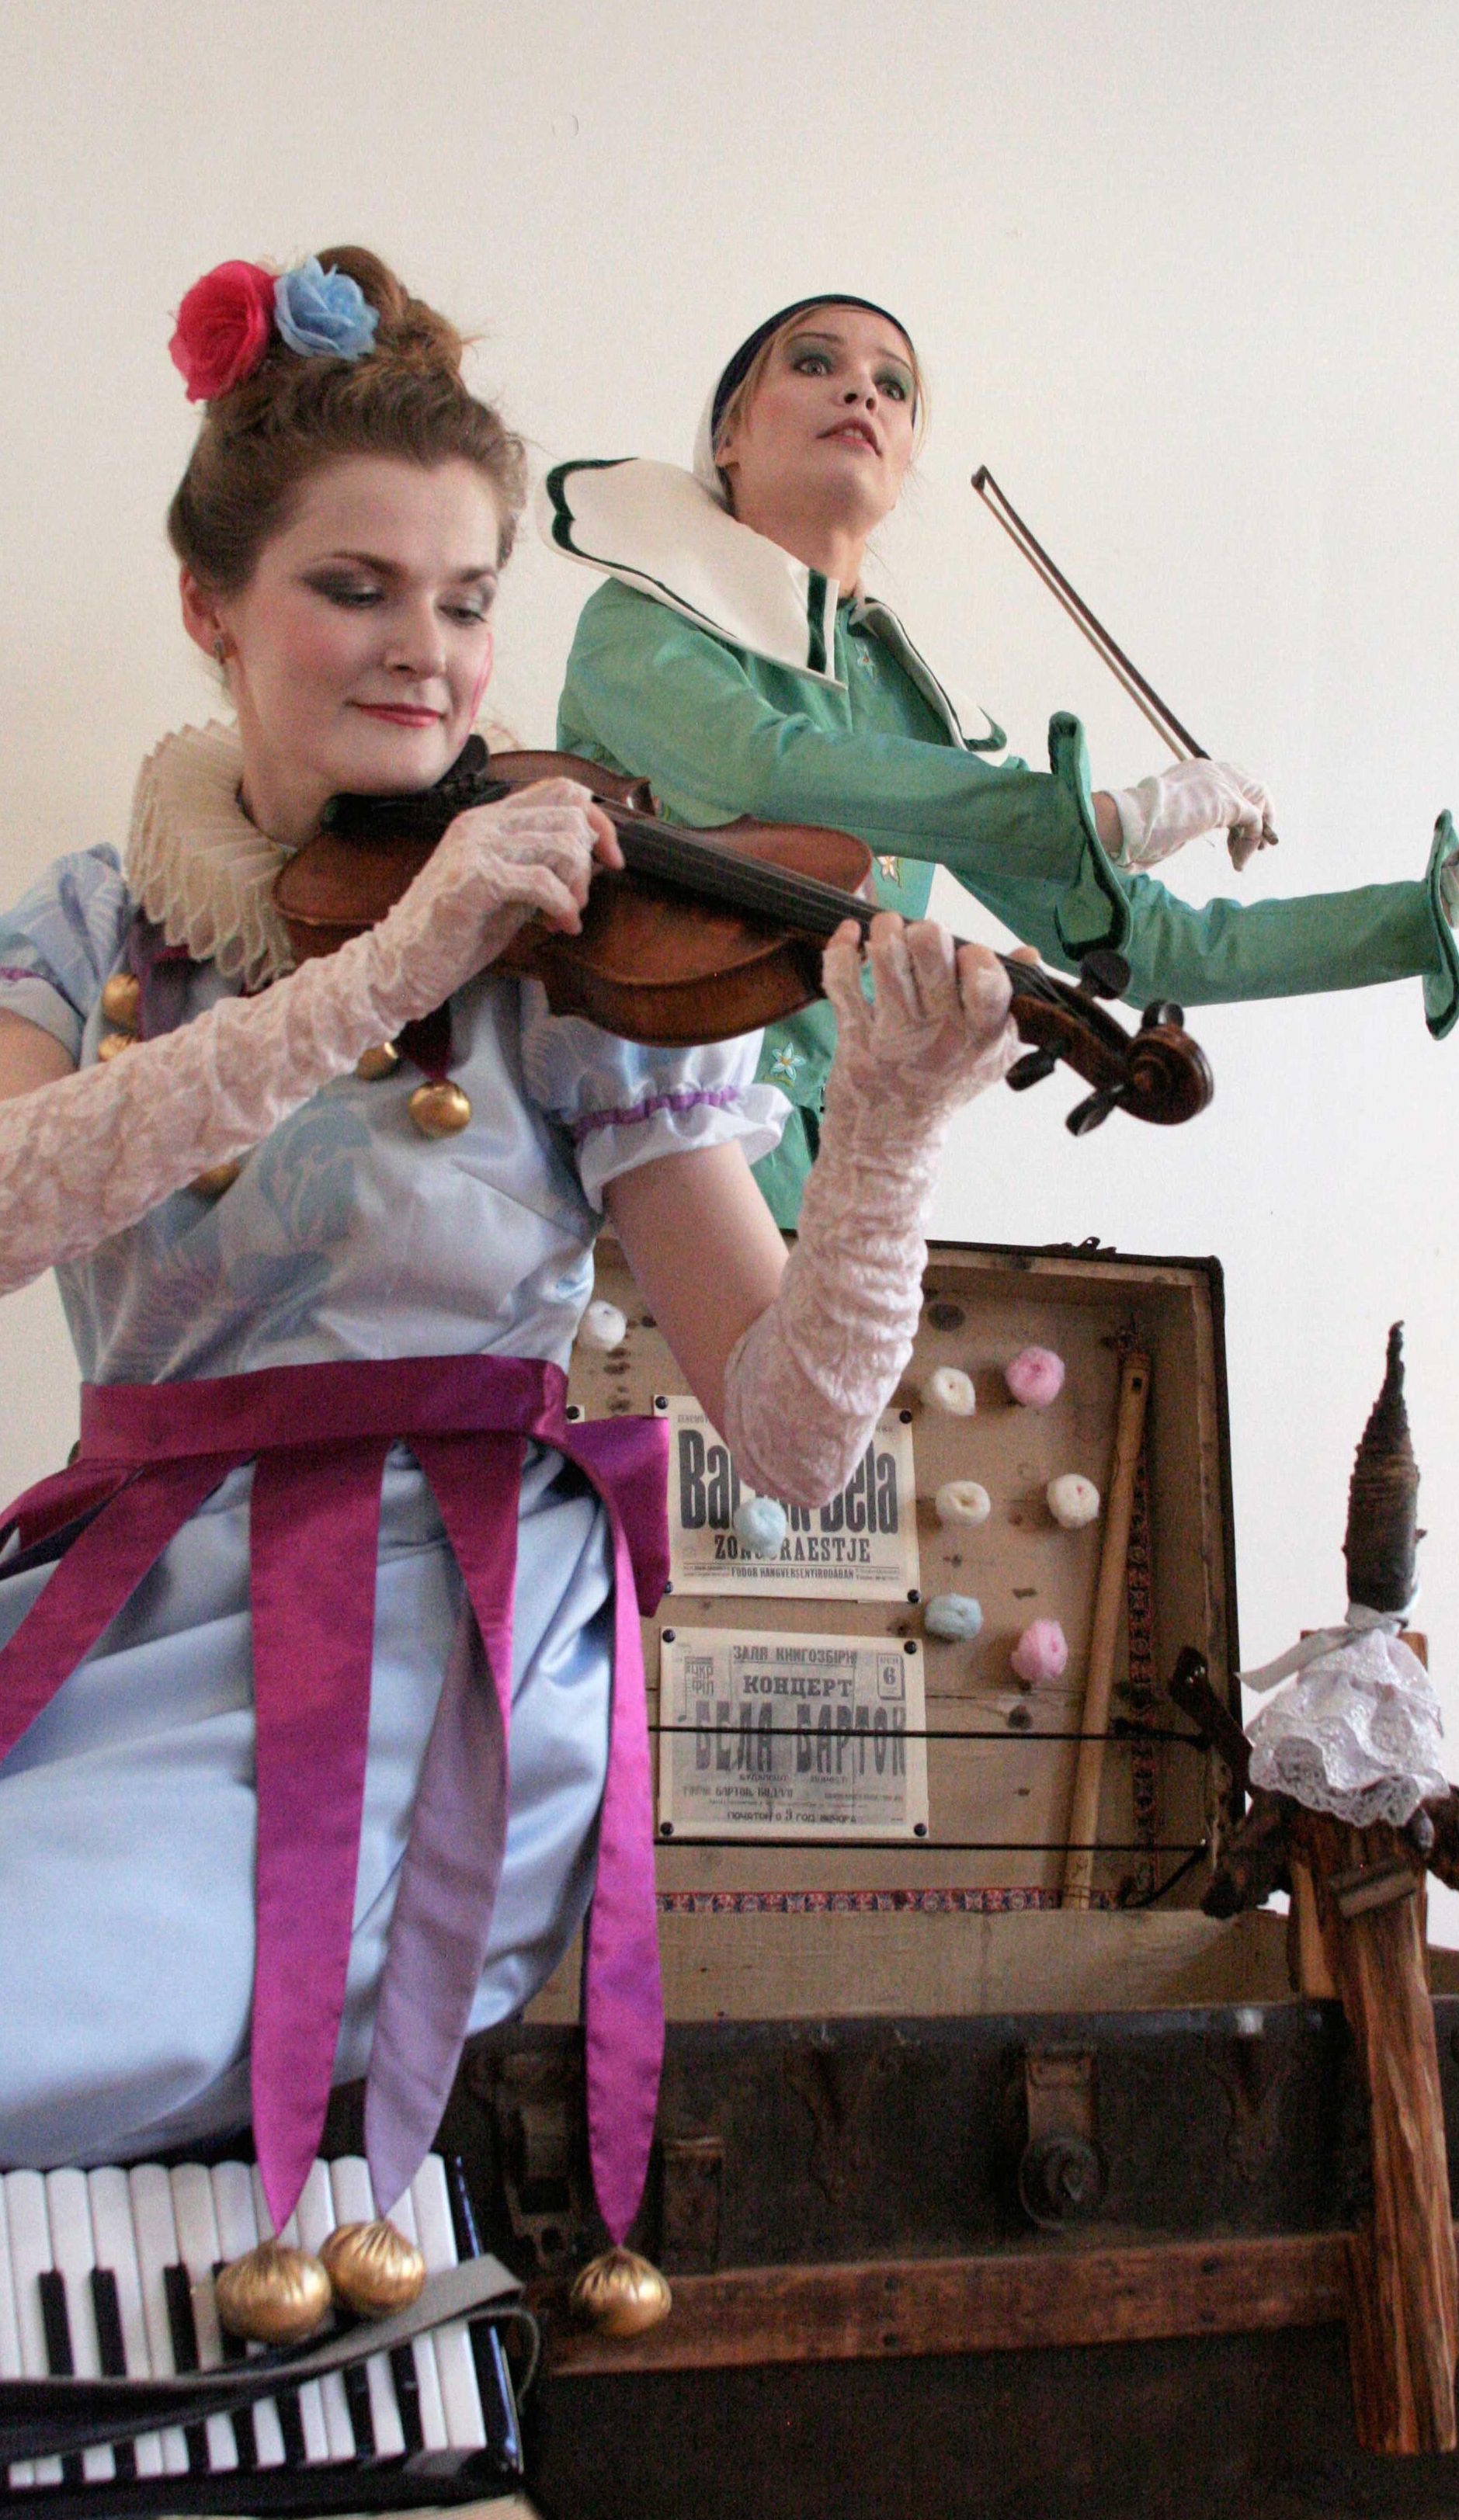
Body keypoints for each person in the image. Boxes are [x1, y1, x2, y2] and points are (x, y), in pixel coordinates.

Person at [0, 252, 1015, 2251]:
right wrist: (380, 970)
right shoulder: (98, 924)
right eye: (355, 588)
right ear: (212, 605)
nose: (430, 657)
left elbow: (794, 1433)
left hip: (427, 1641)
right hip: (124, 1602)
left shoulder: (564, 943)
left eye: (468, 602)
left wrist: (889, 1134)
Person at [547, 294, 1459, 1226]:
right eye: (814, 363)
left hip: (827, 1199)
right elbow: (770, 769)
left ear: (903, 466)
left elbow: (1156, 947)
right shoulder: (640, 619)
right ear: (728, 433)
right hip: (627, 1165)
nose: (860, 391)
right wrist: (1101, 818)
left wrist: (1445, 904)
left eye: (893, 386)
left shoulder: (905, 701)